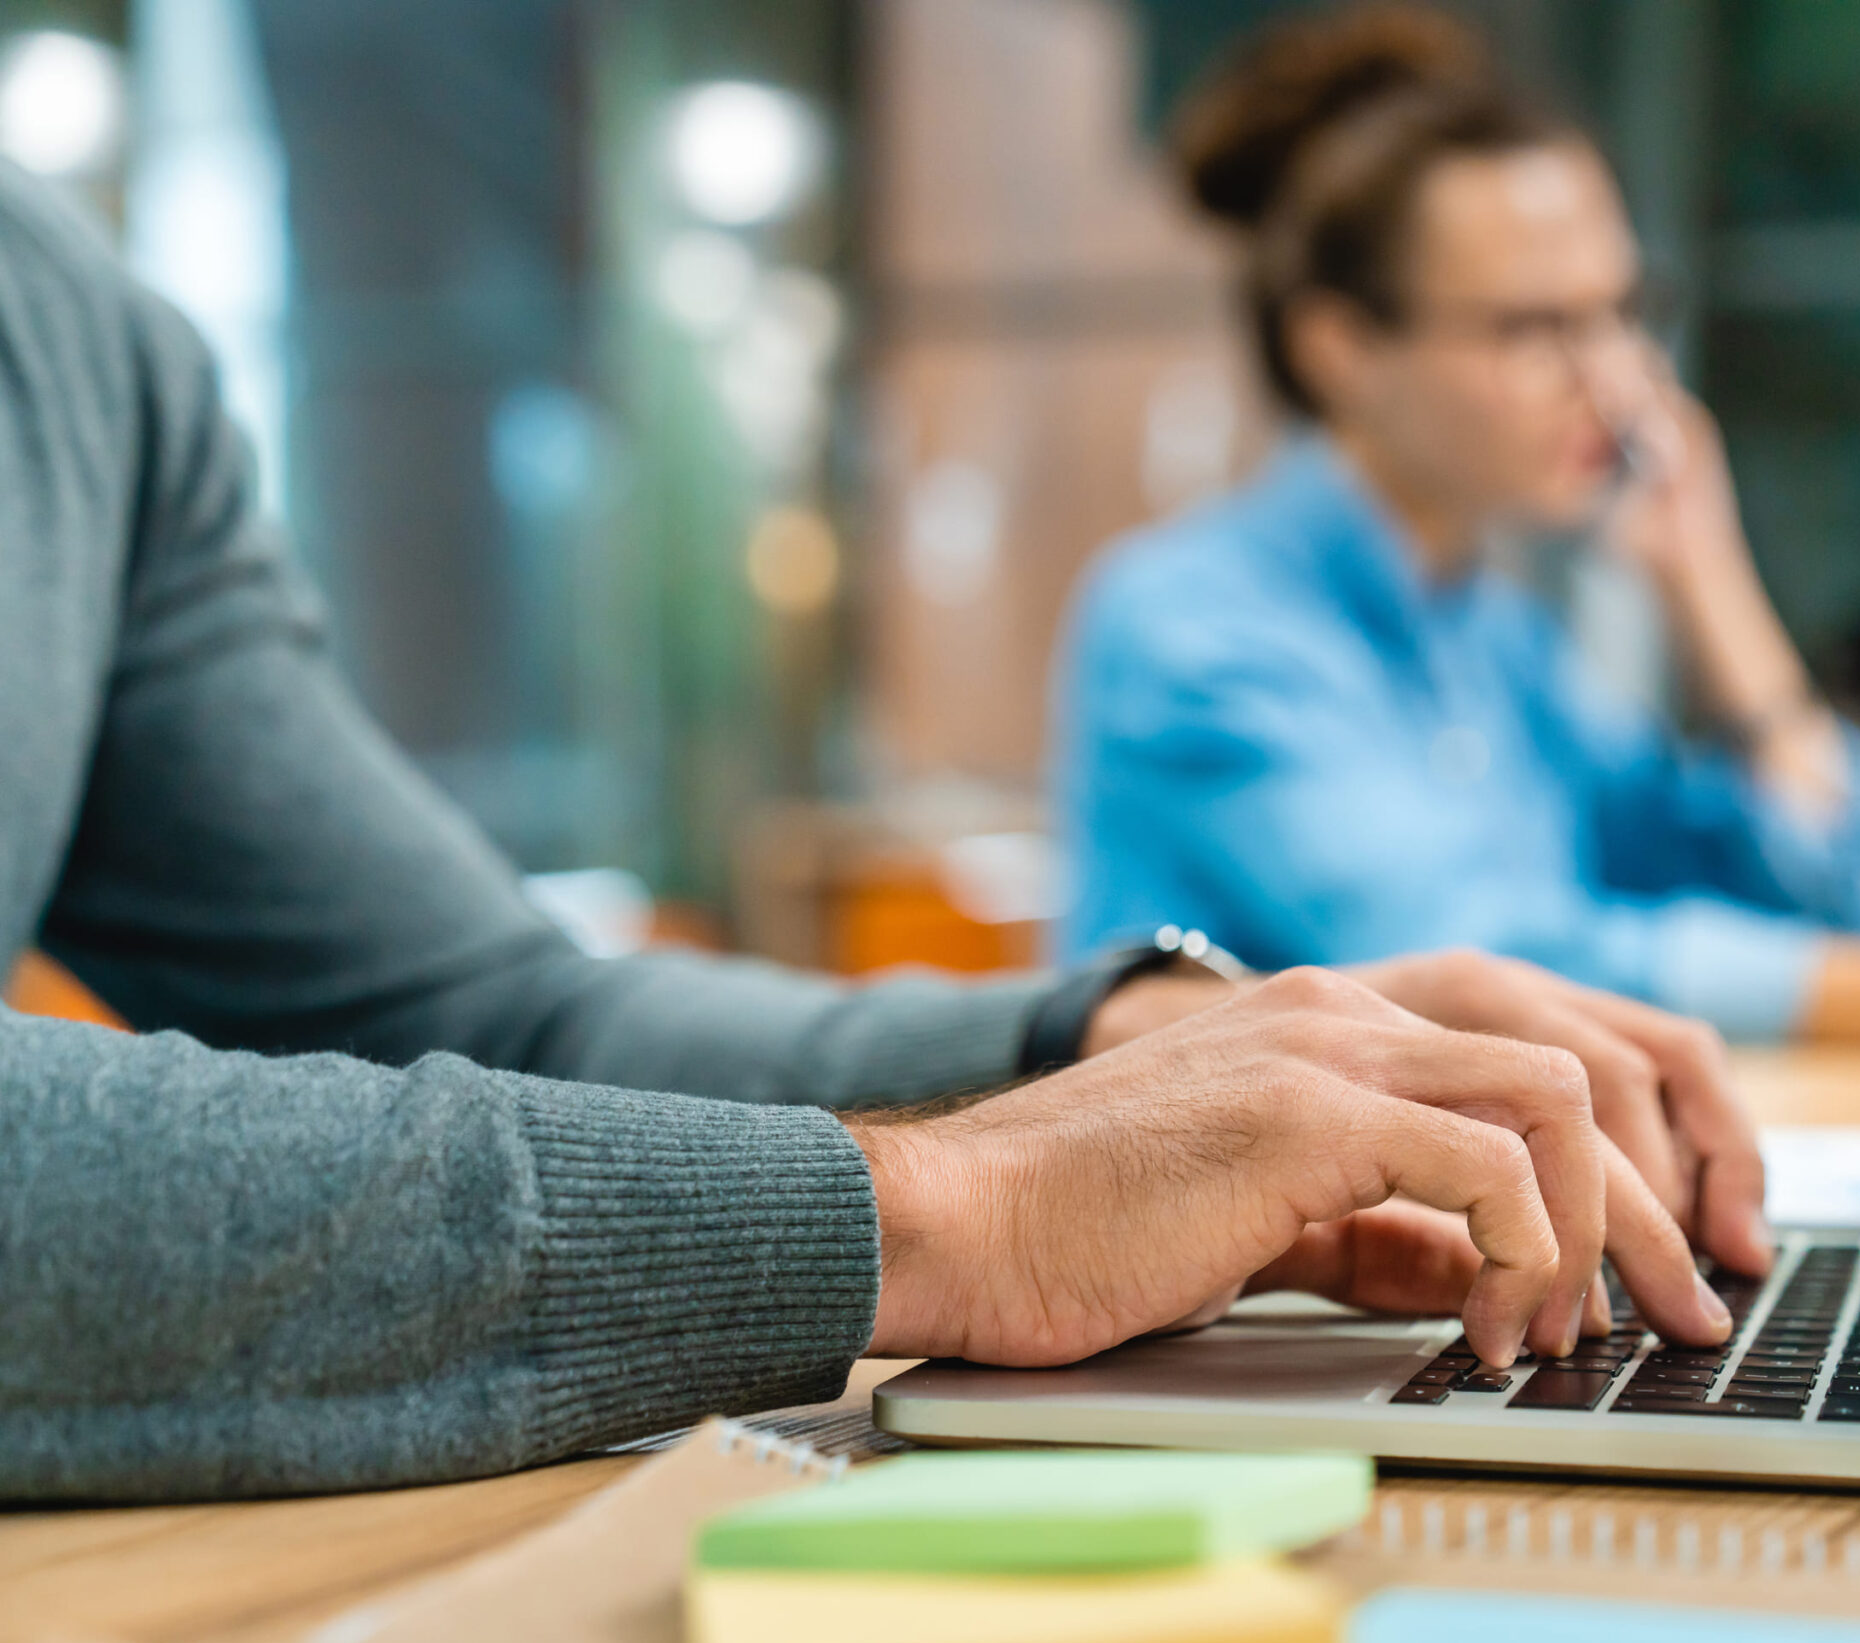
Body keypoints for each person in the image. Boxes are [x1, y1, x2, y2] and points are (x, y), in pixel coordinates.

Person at [0, 162, 1765, 1503]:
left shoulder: (77, 339)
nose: (1602, 378)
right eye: (1529, 321)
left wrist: (1084, 1051)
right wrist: (945, 1206)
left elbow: (486, 1009)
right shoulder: (1205, 611)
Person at [1053, 6, 1860, 1059]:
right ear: (1340, 348)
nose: (1619, 383)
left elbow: (1839, 892)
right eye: (1536, 328)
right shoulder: (1187, 627)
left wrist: (1710, 583)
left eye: (1624, 313)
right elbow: (1483, 969)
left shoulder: (1491, 634)